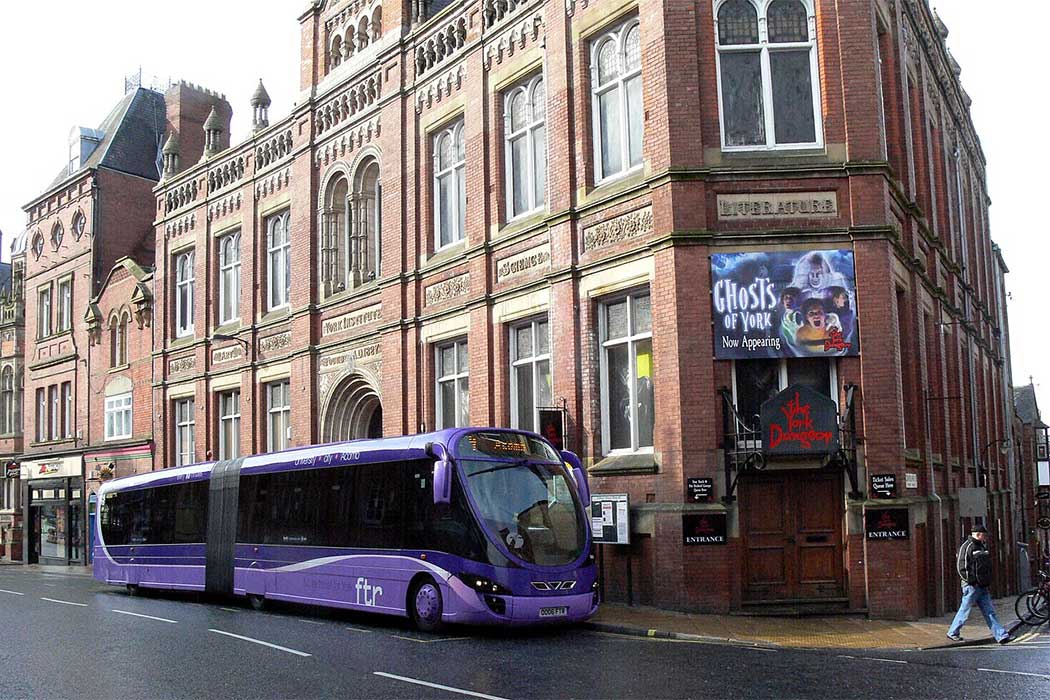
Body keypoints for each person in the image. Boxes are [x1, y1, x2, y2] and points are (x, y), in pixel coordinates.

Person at [946, 524, 1012, 644]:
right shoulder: (967, 547)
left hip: (982, 586)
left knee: (990, 611)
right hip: (972, 586)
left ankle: (1001, 635)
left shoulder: (981, 547)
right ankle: (952, 632)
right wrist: (971, 581)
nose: (985, 537)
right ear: (978, 534)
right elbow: (961, 567)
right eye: (984, 535)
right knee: (965, 610)